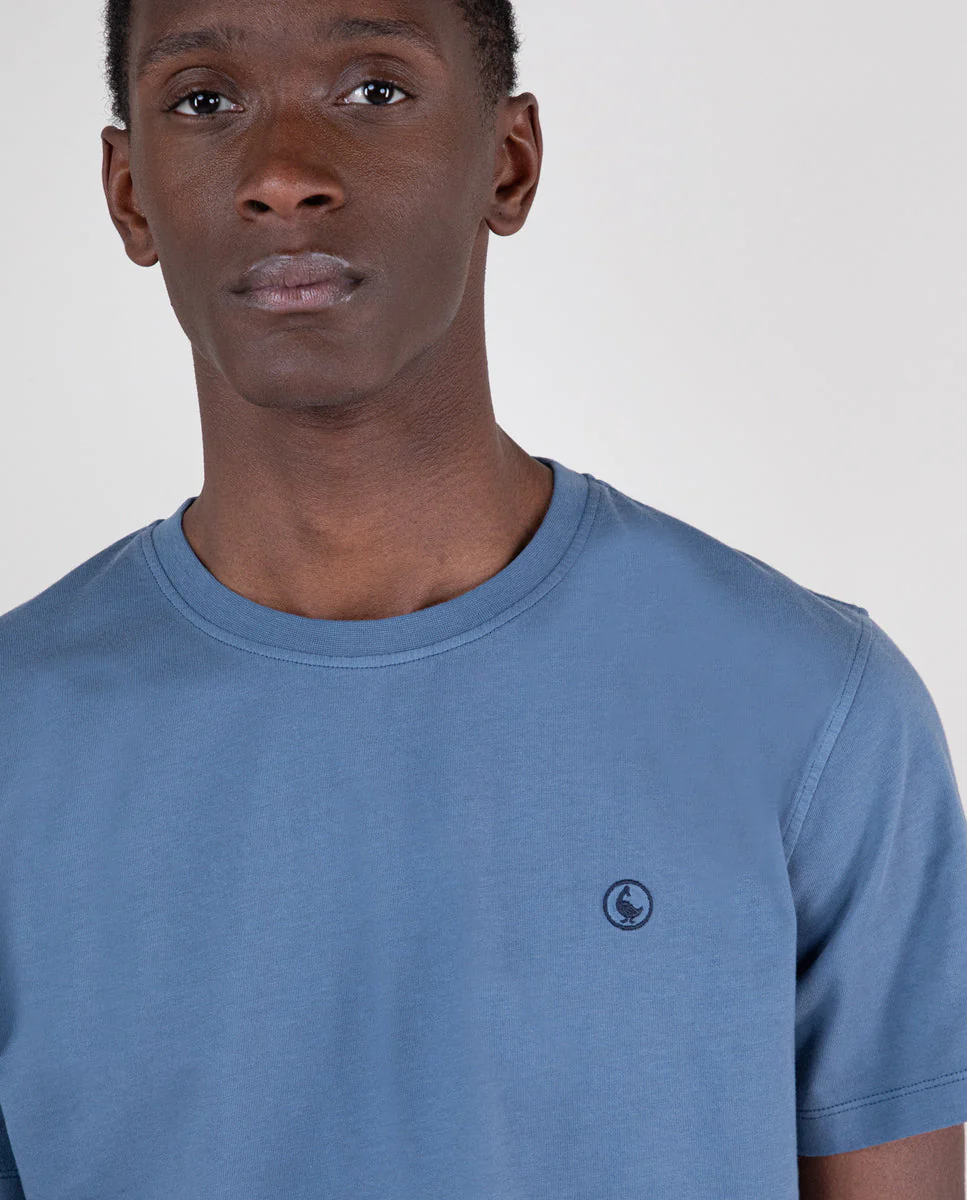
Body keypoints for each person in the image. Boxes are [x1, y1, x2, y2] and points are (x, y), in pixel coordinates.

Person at [0, 0, 964, 1196]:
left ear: (507, 162)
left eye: (374, 90)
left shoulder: (814, 709)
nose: (284, 174)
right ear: (129, 193)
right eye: (204, 100)